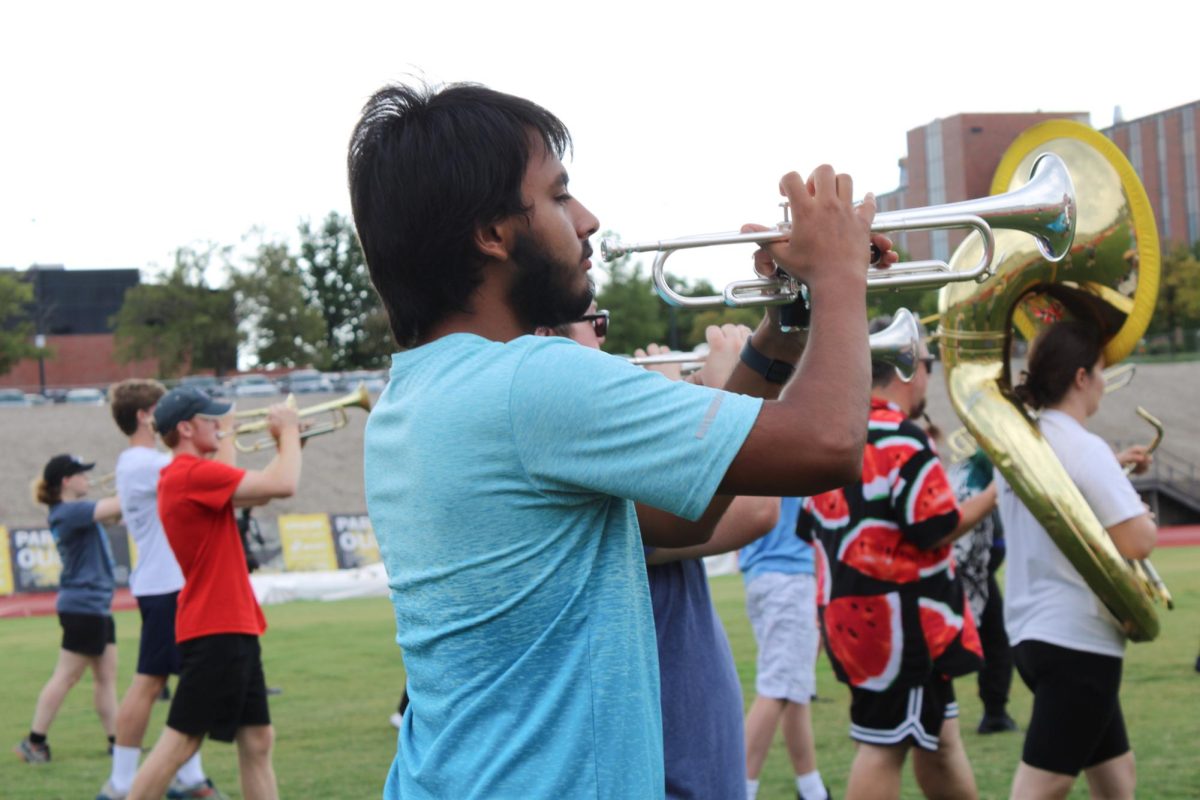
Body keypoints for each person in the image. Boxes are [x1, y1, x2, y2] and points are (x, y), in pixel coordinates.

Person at [349, 81, 894, 798]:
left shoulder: (414, 397)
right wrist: (839, 275)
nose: (588, 218)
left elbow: (684, 513)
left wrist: (787, 324)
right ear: (491, 232)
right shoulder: (536, 382)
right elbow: (828, 443)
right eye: (559, 195)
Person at [545, 312, 783, 800]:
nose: (610, 341)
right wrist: (728, 393)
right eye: (597, 324)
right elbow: (758, 509)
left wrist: (687, 404)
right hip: (668, 765)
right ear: (549, 338)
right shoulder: (591, 465)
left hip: (687, 752)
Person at [799, 319, 997, 800]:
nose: (930, 374)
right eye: (927, 363)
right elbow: (935, 527)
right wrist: (998, 492)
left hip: (858, 621)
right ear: (910, 371)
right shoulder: (902, 437)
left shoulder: (837, 432)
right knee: (883, 746)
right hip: (905, 627)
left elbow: (811, 529)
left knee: (940, 741)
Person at [998, 320, 1155, 800]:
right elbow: (1136, 540)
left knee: (1116, 775)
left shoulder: (1025, 442)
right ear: (1081, 378)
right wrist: (1141, 512)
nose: (1105, 384)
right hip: (1078, 639)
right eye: (1102, 373)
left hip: (1033, 632)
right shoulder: (1085, 447)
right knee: (1043, 787)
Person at [126, 387, 301, 800]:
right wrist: (289, 433)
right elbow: (284, 484)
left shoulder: (190, 475)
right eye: (213, 420)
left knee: (258, 739)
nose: (223, 426)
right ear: (186, 429)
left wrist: (287, 442)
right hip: (216, 626)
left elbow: (259, 488)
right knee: (180, 743)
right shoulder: (189, 474)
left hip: (228, 623)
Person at [98, 379, 224, 800]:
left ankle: (189, 776)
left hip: (169, 583)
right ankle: (121, 782)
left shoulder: (143, 461)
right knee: (149, 682)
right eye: (163, 405)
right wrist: (221, 433)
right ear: (145, 416)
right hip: (164, 585)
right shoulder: (140, 462)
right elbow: (208, 472)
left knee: (185, 680)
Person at [16, 454, 123, 764]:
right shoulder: (69, 511)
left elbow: (115, 515)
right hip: (84, 606)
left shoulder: (74, 511)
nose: (88, 479)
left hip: (96, 605)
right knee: (65, 676)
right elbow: (115, 507)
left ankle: (117, 742)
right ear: (66, 480)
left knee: (105, 678)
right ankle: (35, 742)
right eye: (82, 475)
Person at [740, 496, 828, 800]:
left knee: (794, 689)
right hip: (790, 576)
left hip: (761, 576)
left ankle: (812, 790)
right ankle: (740, 789)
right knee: (777, 688)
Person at [947, 447, 1017, 735]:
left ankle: (995, 712)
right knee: (985, 642)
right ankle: (992, 711)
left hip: (975, 573)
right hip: (966, 574)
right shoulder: (972, 483)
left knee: (996, 642)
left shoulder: (965, 473)